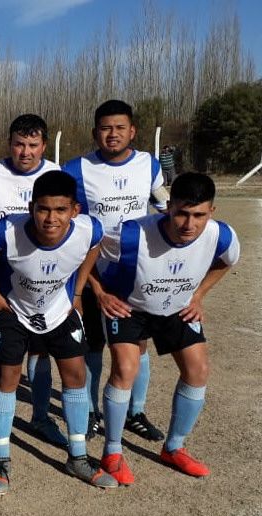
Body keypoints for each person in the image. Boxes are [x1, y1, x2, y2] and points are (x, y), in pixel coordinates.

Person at [92, 172, 239, 484]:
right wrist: (101, 293)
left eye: (199, 215)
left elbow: (227, 261)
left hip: (177, 307)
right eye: (182, 213)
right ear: (169, 206)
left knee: (198, 370)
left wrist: (198, 295)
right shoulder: (130, 235)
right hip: (130, 307)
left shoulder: (222, 235)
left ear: (211, 211)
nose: (189, 224)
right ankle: (112, 452)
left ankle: (174, 447)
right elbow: (87, 254)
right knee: (125, 369)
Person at [0, 170, 118, 494]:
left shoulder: (89, 229)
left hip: (59, 310)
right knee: (7, 377)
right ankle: (1, 462)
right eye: (43, 209)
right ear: (31, 207)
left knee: (76, 375)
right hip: (15, 311)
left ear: (75, 210)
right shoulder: (6, 231)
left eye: (60, 210)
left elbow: (94, 248)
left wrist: (78, 290)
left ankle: (78, 457)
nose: (50, 218)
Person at [63, 99, 169, 441]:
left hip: (137, 274)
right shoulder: (75, 169)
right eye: (106, 128)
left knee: (138, 344)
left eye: (120, 127)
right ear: (95, 132)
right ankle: (91, 411)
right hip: (93, 272)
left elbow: (164, 207)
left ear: (132, 131)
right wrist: (93, 287)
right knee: (93, 344)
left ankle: (135, 412)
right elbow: (71, 229)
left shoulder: (149, 165)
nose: (113, 134)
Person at [0, 113, 66, 447]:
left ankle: (40, 416)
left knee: (40, 352)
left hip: (42, 282)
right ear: (9, 143)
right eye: (19, 144)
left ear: (44, 145)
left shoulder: (57, 173)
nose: (25, 152)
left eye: (32, 145)